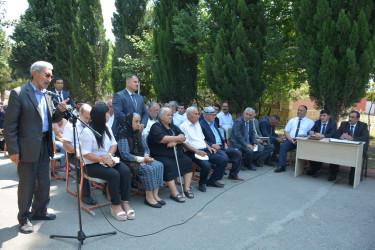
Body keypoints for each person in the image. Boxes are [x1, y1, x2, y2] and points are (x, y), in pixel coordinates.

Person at [4, 61, 67, 234]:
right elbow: (10, 126)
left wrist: (60, 110)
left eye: (51, 75)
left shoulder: (47, 95)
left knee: (44, 182)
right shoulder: (19, 93)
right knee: (27, 185)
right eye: (47, 75)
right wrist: (13, 150)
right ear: (35, 73)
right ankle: (24, 218)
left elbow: (52, 118)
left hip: (44, 145)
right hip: (26, 147)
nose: (50, 79)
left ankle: (39, 211)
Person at [80, 103, 133, 221]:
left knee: (125, 170)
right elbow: (86, 153)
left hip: (107, 160)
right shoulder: (87, 132)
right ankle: (115, 205)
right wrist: (102, 159)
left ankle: (125, 202)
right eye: (107, 113)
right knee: (114, 174)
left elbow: (114, 144)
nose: (109, 114)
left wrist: (108, 155)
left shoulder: (106, 128)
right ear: (100, 116)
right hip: (92, 164)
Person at [116, 113, 165, 208]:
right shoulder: (122, 134)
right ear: (129, 122)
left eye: (139, 121)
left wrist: (146, 156)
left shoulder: (137, 132)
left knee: (159, 165)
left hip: (140, 158)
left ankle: (155, 195)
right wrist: (142, 159)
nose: (139, 124)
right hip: (128, 161)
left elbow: (146, 148)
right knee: (147, 169)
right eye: (136, 121)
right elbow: (125, 154)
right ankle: (149, 197)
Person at [148, 107, 193, 203]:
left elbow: (183, 137)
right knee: (169, 165)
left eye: (171, 115)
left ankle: (186, 188)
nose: (170, 117)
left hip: (176, 153)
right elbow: (162, 139)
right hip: (162, 155)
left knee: (188, 161)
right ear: (161, 116)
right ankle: (174, 192)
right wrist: (177, 139)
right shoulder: (156, 126)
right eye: (168, 115)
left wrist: (175, 141)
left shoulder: (173, 127)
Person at [180, 107, 228, 193]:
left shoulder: (197, 124)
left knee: (223, 159)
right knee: (206, 165)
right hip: (192, 151)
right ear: (188, 115)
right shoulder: (183, 126)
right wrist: (197, 151)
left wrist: (209, 148)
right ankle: (202, 183)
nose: (198, 116)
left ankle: (212, 180)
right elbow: (185, 144)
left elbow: (202, 139)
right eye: (195, 114)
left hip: (204, 149)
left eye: (198, 114)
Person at [62, 103, 96, 205]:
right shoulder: (70, 125)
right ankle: (85, 195)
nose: (87, 121)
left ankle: (107, 190)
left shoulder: (90, 124)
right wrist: (76, 150)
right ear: (79, 113)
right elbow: (65, 145)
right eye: (86, 118)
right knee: (83, 165)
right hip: (74, 154)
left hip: (88, 152)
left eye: (90, 119)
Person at [199, 106, 244, 182]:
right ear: (206, 115)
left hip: (222, 146)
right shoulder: (201, 124)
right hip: (212, 147)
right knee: (224, 157)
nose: (214, 116)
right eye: (213, 114)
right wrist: (211, 145)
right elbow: (200, 139)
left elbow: (219, 135)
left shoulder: (214, 123)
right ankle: (216, 178)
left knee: (238, 153)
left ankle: (233, 174)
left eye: (215, 114)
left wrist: (224, 142)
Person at [275, 105, 314, 173]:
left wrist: (304, 138)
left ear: (305, 112)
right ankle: (282, 166)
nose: (299, 112)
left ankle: (301, 167)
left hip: (302, 141)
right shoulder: (292, 120)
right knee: (283, 147)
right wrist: (290, 139)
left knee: (304, 149)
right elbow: (286, 131)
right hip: (291, 139)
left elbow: (311, 134)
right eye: (298, 110)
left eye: (301, 110)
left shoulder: (310, 122)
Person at [334, 111, 369, 184]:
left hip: (357, 150)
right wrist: (340, 136)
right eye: (349, 117)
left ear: (357, 119)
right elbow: (336, 134)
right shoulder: (344, 124)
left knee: (355, 158)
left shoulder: (363, 125)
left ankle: (352, 179)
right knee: (335, 154)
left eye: (352, 117)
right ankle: (333, 174)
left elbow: (365, 137)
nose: (350, 119)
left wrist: (353, 138)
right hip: (345, 148)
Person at [307, 110, 337, 178]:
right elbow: (311, 130)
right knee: (312, 152)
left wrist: (323, 135)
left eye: (324, 116)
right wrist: (311, 132)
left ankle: (328, 172)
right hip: (318, 144)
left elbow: (333, 134)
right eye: (321, 115)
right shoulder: (317, 122)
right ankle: (314, 169)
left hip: (328, 145)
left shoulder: (333, 124)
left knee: (327, 154)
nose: (322, 117)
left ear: (328, 116)